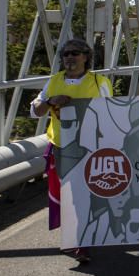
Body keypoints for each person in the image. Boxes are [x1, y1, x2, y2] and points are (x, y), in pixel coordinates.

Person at [30, 37, 112, 263]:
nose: (69, 58)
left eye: (75, 53)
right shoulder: (54, 81)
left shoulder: (99, 82)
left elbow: (112, 113)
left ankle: (83, 242)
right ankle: (77, 239)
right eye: (65, 54)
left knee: (84, 195)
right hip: (61, 148)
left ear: (86, 57)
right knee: (70, 196)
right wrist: (49, 101)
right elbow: (35, 110)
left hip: (91, 148)